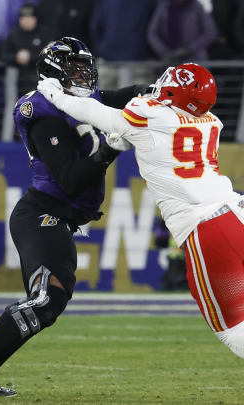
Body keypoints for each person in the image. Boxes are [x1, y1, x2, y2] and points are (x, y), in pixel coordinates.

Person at [0, 37, 152, 396]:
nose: (83, 75)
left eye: (86, 68)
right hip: (42, 213)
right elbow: (70, 179)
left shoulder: (85, 101)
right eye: (74, 69)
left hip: (58, 218)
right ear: (54, 74)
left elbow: (128, 94)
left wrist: (159, 89)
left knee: (51, 301)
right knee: (45, 299)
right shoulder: (43, 112)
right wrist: (110, 150)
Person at [38, 63, 244, 359]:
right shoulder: (211, 121)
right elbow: (150, 136)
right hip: (236, 210)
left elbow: (96, 113)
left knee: (232, 330)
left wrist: (55, 95)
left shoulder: (150, 113)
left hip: (206, 226)